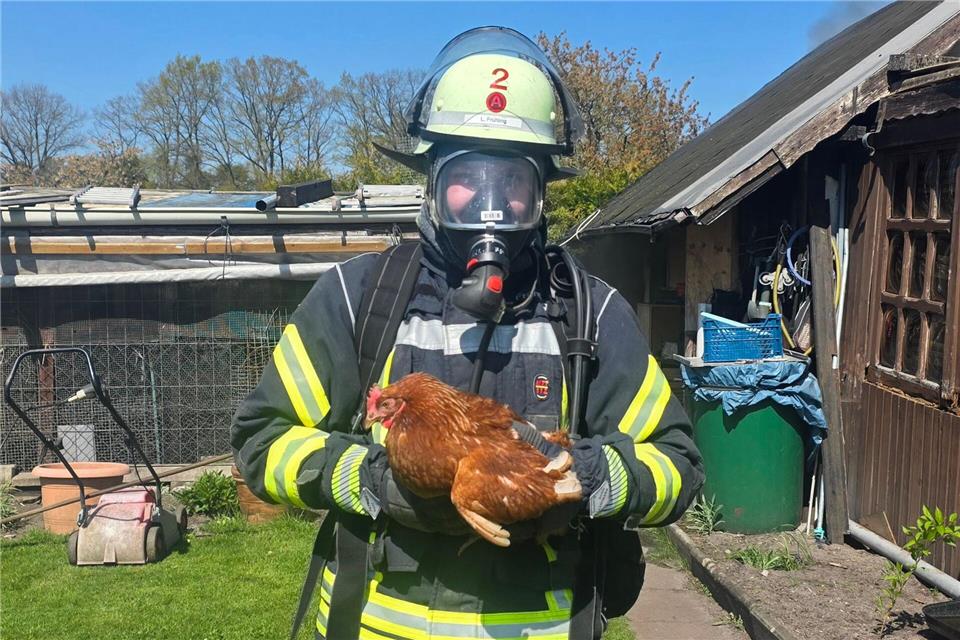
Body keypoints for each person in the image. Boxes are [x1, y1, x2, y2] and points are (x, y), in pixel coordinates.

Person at [231, 26, 704, 640]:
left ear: (541, 193)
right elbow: (261, 442)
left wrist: (586, 478)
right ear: (431, 180)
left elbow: (677, 467)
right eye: (467, 178)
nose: (491, 203)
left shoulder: (590, 313)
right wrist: (372, 478)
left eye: (513, 182)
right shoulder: (356, 298)